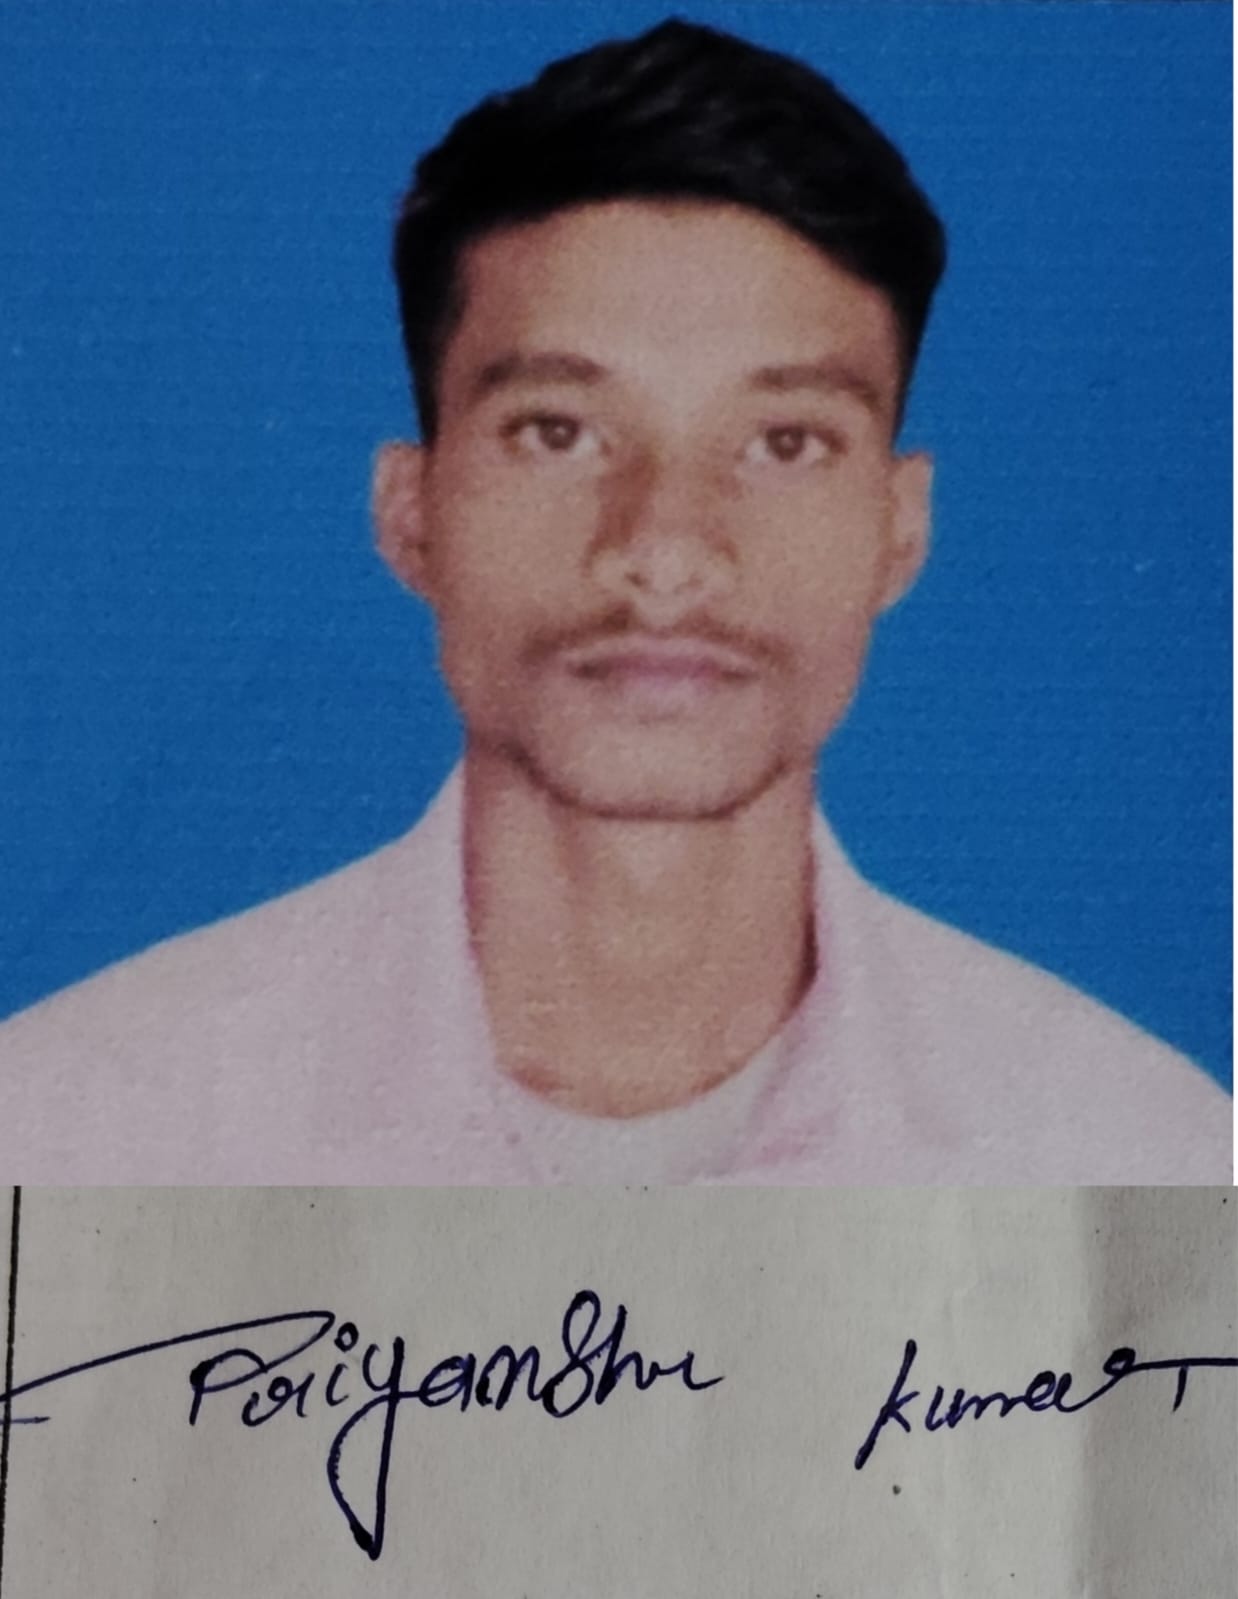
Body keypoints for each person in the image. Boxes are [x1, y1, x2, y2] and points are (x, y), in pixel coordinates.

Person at [0, 18, 1227, 1184]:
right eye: (559, 431)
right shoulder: (69, 1132)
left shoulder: (1144, 1160)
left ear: (897, 531)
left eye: (783, 443)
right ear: (409, 512)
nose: (663, 551)